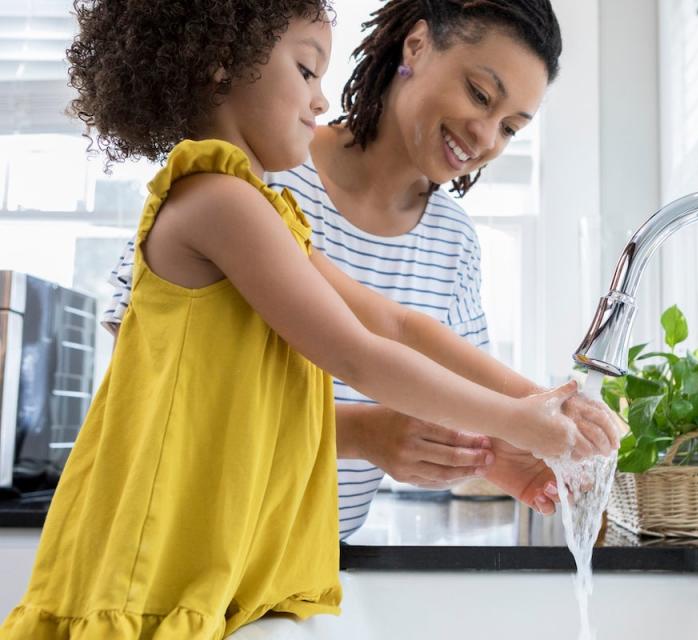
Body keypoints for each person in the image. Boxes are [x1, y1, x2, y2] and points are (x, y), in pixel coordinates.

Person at [1, 1, 619, 637]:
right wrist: (519, 420)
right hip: (159, 559)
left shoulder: (264, 210)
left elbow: (402, 326)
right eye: (305, 70)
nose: (320, 100)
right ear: (221, 65)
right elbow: (356, 354)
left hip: (239, 559)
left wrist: (542, 408)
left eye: (512, 126)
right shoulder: (223, 201)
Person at [103, 0, 574, 538]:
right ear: (416, 46)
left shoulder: (453, 241)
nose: (487, 136)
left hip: (303, 563)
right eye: (480, 94)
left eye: (511, 127)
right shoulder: (259, 170)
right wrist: (362, 433)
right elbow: (149, 377)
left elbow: (403, 332)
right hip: (189, 540)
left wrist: (526, 427)